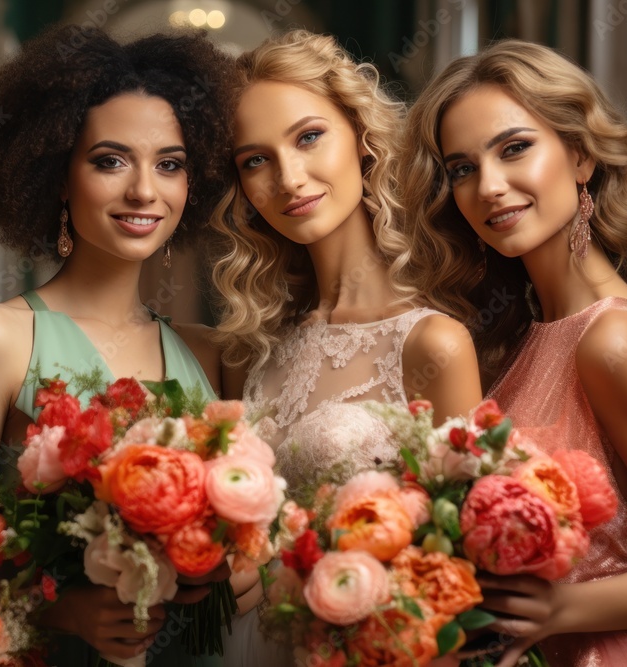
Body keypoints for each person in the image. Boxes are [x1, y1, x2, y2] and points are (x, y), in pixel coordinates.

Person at [0, 25, 234, 666]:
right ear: (57, 174)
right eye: (110, 161)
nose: (144, 190)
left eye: (169, 164)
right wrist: (62, 609)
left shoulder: (209, 353)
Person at [398, 39, 627, 666]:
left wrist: (558, 610)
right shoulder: (523, 328)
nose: (489, 186)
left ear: (578, 156)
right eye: (462, 168)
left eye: (514, 148)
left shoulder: (610, 339)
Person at [208, 30, 482, 665]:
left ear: (361, 137)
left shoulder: (432, 343)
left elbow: (455, 580)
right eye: (255, 160)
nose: (288, 178)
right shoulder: (251, 347)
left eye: (308, 137)